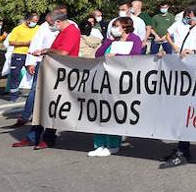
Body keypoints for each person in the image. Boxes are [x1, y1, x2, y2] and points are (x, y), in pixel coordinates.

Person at [160, 3, 196, 168]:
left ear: (192, 15)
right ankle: (181, 148)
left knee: (185, 114)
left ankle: (183, 152)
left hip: (193, 77)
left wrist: (194, 53)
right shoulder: (194, 29)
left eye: (189, 15)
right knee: (180, 113)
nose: (187, 17)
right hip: (185, 75)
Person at [16, 9, 79, 149]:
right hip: (50, 68)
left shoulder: (72, 31)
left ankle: (48, 137)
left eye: (52, 23)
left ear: (58, 21)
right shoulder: (62, 31)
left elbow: (64, 52)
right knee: (41, 104)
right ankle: (33, 136)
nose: (51, 26)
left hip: (61, 71)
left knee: (53, 106)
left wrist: (45, 50)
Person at [89, 16, 144, 156]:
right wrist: (109, 41)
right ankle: (99, 144)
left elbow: (135, 56)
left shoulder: (134, 39)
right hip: (104, 79)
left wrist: (117, 55)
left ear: (125, 27)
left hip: (121, 80)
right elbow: (98, 54)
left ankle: (113, 144)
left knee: (114, 111)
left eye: (116, 25)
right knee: (100, 110)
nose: (113, 28)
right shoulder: (111, 40)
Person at [7, 11, 57, 129]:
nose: (50, 23)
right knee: (33, 89)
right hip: (36, 60)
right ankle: (25, 115)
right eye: (49, 21)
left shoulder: (62, 28)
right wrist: (31, 63)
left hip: (55, 63)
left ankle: (47, 116)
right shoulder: (41, 28)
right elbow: (35, 44)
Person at [3, 13, 40, 100]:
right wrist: (26, 43)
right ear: (28, 20)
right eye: (33, 21)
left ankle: (35, 95)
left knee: (35, 74)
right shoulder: (17, 29)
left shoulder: (38, 28)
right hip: (18, 54)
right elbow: (11, 42)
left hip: (32, 55)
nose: (35, 23)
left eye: (36, 21)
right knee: (15, 75)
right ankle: (13, 96)